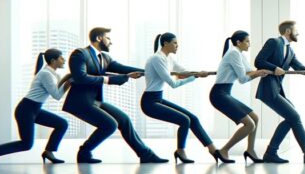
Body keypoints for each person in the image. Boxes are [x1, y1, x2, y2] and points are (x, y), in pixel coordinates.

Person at [63, 27, 166, 164]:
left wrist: (151, 71)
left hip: (95, 101)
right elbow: (81, 78)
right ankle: (84, 152)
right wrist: (110, 79)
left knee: (123, 120)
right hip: (80, 102)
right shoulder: (80, 54)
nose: (111, 42)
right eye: (108, 38)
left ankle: (145, 155)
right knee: (110, 125)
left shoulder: (104, 58)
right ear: (99, 38)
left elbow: (123, 69)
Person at [254, 20, 305, 164]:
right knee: (294, 116)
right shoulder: (274, 42)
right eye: (296, 30)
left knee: (292, 118)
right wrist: (274, 68)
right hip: (268, 89)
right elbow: (258, 61)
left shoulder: (290, 51)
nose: (298, 33)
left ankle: (272, 153)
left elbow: (299, 68)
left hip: (276, 89)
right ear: (288, 31)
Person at [0, 49, 70, 164]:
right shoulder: (45, 74)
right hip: (26, 109)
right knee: (26, 144)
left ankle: (49, 151)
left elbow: (58, 88)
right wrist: (69, 81)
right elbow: (57, 95)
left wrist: (68, 79)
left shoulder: (54, 74)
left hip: (35, 109)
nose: (64, 60)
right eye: (61, 58)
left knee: (62, 124)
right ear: (53, 60)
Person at [140, 32, 218, 164]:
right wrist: (195, 77)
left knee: (193, 118)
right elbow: (173, 84)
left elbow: (182, 71)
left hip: (158, 98)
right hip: (149, 102)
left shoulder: (168, 58)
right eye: (175, 43)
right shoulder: (157, 59)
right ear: (165, 43)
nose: (177, 45)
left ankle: (213, 150)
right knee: (184, 120)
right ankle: (180, 150)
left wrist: (197, 73)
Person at [211, 30, 270, 164]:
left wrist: (259, 73)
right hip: (218, 94)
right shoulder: (233, 53)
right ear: (239, 42)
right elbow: (243, 79)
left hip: (225, 93)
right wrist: (258, 73)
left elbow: (249, 73)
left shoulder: (240, 54)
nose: (249, 44)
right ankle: (223, 150)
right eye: (247, 41)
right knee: (249, 124)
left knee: (255, 118)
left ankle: (250, 150)